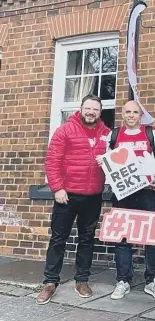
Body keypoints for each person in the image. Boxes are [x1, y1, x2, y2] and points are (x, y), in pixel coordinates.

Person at [37, 94, 111, 305]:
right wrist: (57, 188)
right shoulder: (65, 130)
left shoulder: (107, 134)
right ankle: (50, 282)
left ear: (100, 112)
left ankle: (82, 280)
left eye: (95, 109)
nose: (91, 112)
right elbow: (52, 160)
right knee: (59, 239)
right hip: (66, 195)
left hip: (93, 195)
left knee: (87, 239)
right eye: (88, 108)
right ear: (81, 109)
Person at [96, 100, 155, 300]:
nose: (131, 115)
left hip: (146, 191)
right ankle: (123, 280)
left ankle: (153, 280)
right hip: (123, 193)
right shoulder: (114, 135)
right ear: (122, 113)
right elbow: (107, 160)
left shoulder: (152, 134)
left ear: (140, 115)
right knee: (123, 237)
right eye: (127, 111)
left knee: (152, 236)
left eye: (135, 112)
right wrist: (103, 161)